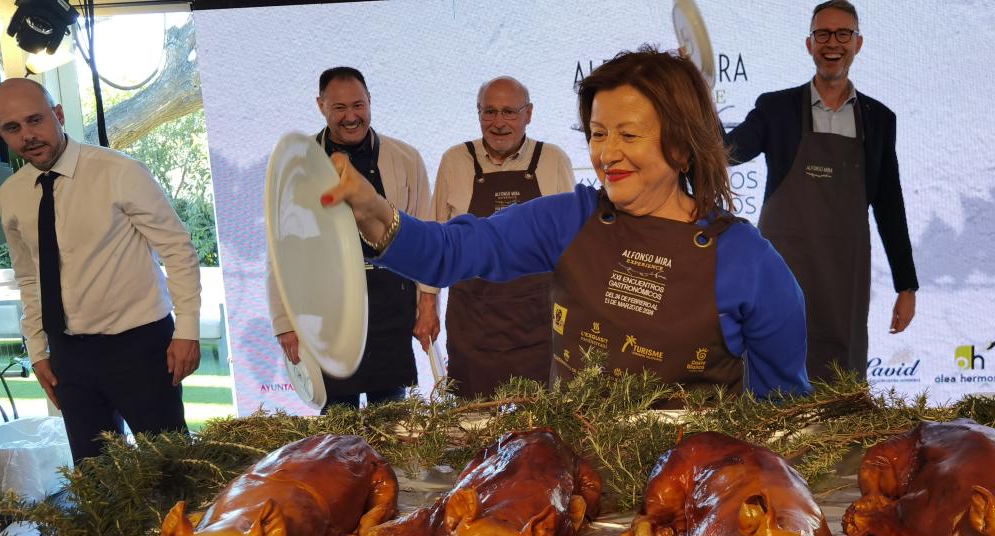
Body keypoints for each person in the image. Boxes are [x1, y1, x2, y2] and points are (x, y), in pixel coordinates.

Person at [321, 47, 811, 400]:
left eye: (628, 135)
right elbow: (450, 252)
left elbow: (781, 416)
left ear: (681, 147)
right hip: (577, 488)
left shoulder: (748, 261)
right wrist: (369, 208)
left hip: (691, 494)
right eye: (598, 134)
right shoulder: (570, 219)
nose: (607, 154)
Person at [0, 78, 201, 462]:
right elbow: (29, 278)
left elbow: (177, 249)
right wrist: (37, 350)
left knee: (172, 471)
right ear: (0, 133)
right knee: (96, 481)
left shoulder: (119, 171)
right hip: (68, 356)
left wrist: (187, 330)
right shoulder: (11, 195)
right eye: (12, 127)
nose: (28, 136)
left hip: (141, 347)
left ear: (58, 115)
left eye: (35, 120)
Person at [724, 0, 918, 383]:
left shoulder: (879, 119)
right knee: (770, 369)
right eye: (823, 34)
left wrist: (906, 285)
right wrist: (695, 97)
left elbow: (889, 205)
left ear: (857, 43)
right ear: (809, 44)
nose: (833, 43)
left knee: (839, 377)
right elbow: (727, 152)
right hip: (780, 268)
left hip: (844, 273)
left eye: (843, 33)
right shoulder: (776, 108)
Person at [267, 67, 432, 410]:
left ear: (370, 101)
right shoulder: (299, 165)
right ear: (320, 106)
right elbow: (280, 250)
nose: (351, 116)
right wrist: (284, 322)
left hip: (391, 304)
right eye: (339, 108)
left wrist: (427, 303)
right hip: (327, 309)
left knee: (391, 422)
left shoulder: (406, 159)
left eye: (358, 105)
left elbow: (424, 237)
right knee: (338, 424)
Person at [420, 76, 575, 397]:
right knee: (472, 419)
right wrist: (426, 306)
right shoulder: (455, 160)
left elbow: (573, 245)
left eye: (509, 112)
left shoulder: (553, 160)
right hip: (472, 322)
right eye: (489, 112)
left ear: (528, 114)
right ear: (478, 113)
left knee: (540, 419)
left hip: (537, 324)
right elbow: (436, 243)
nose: (499, 123)